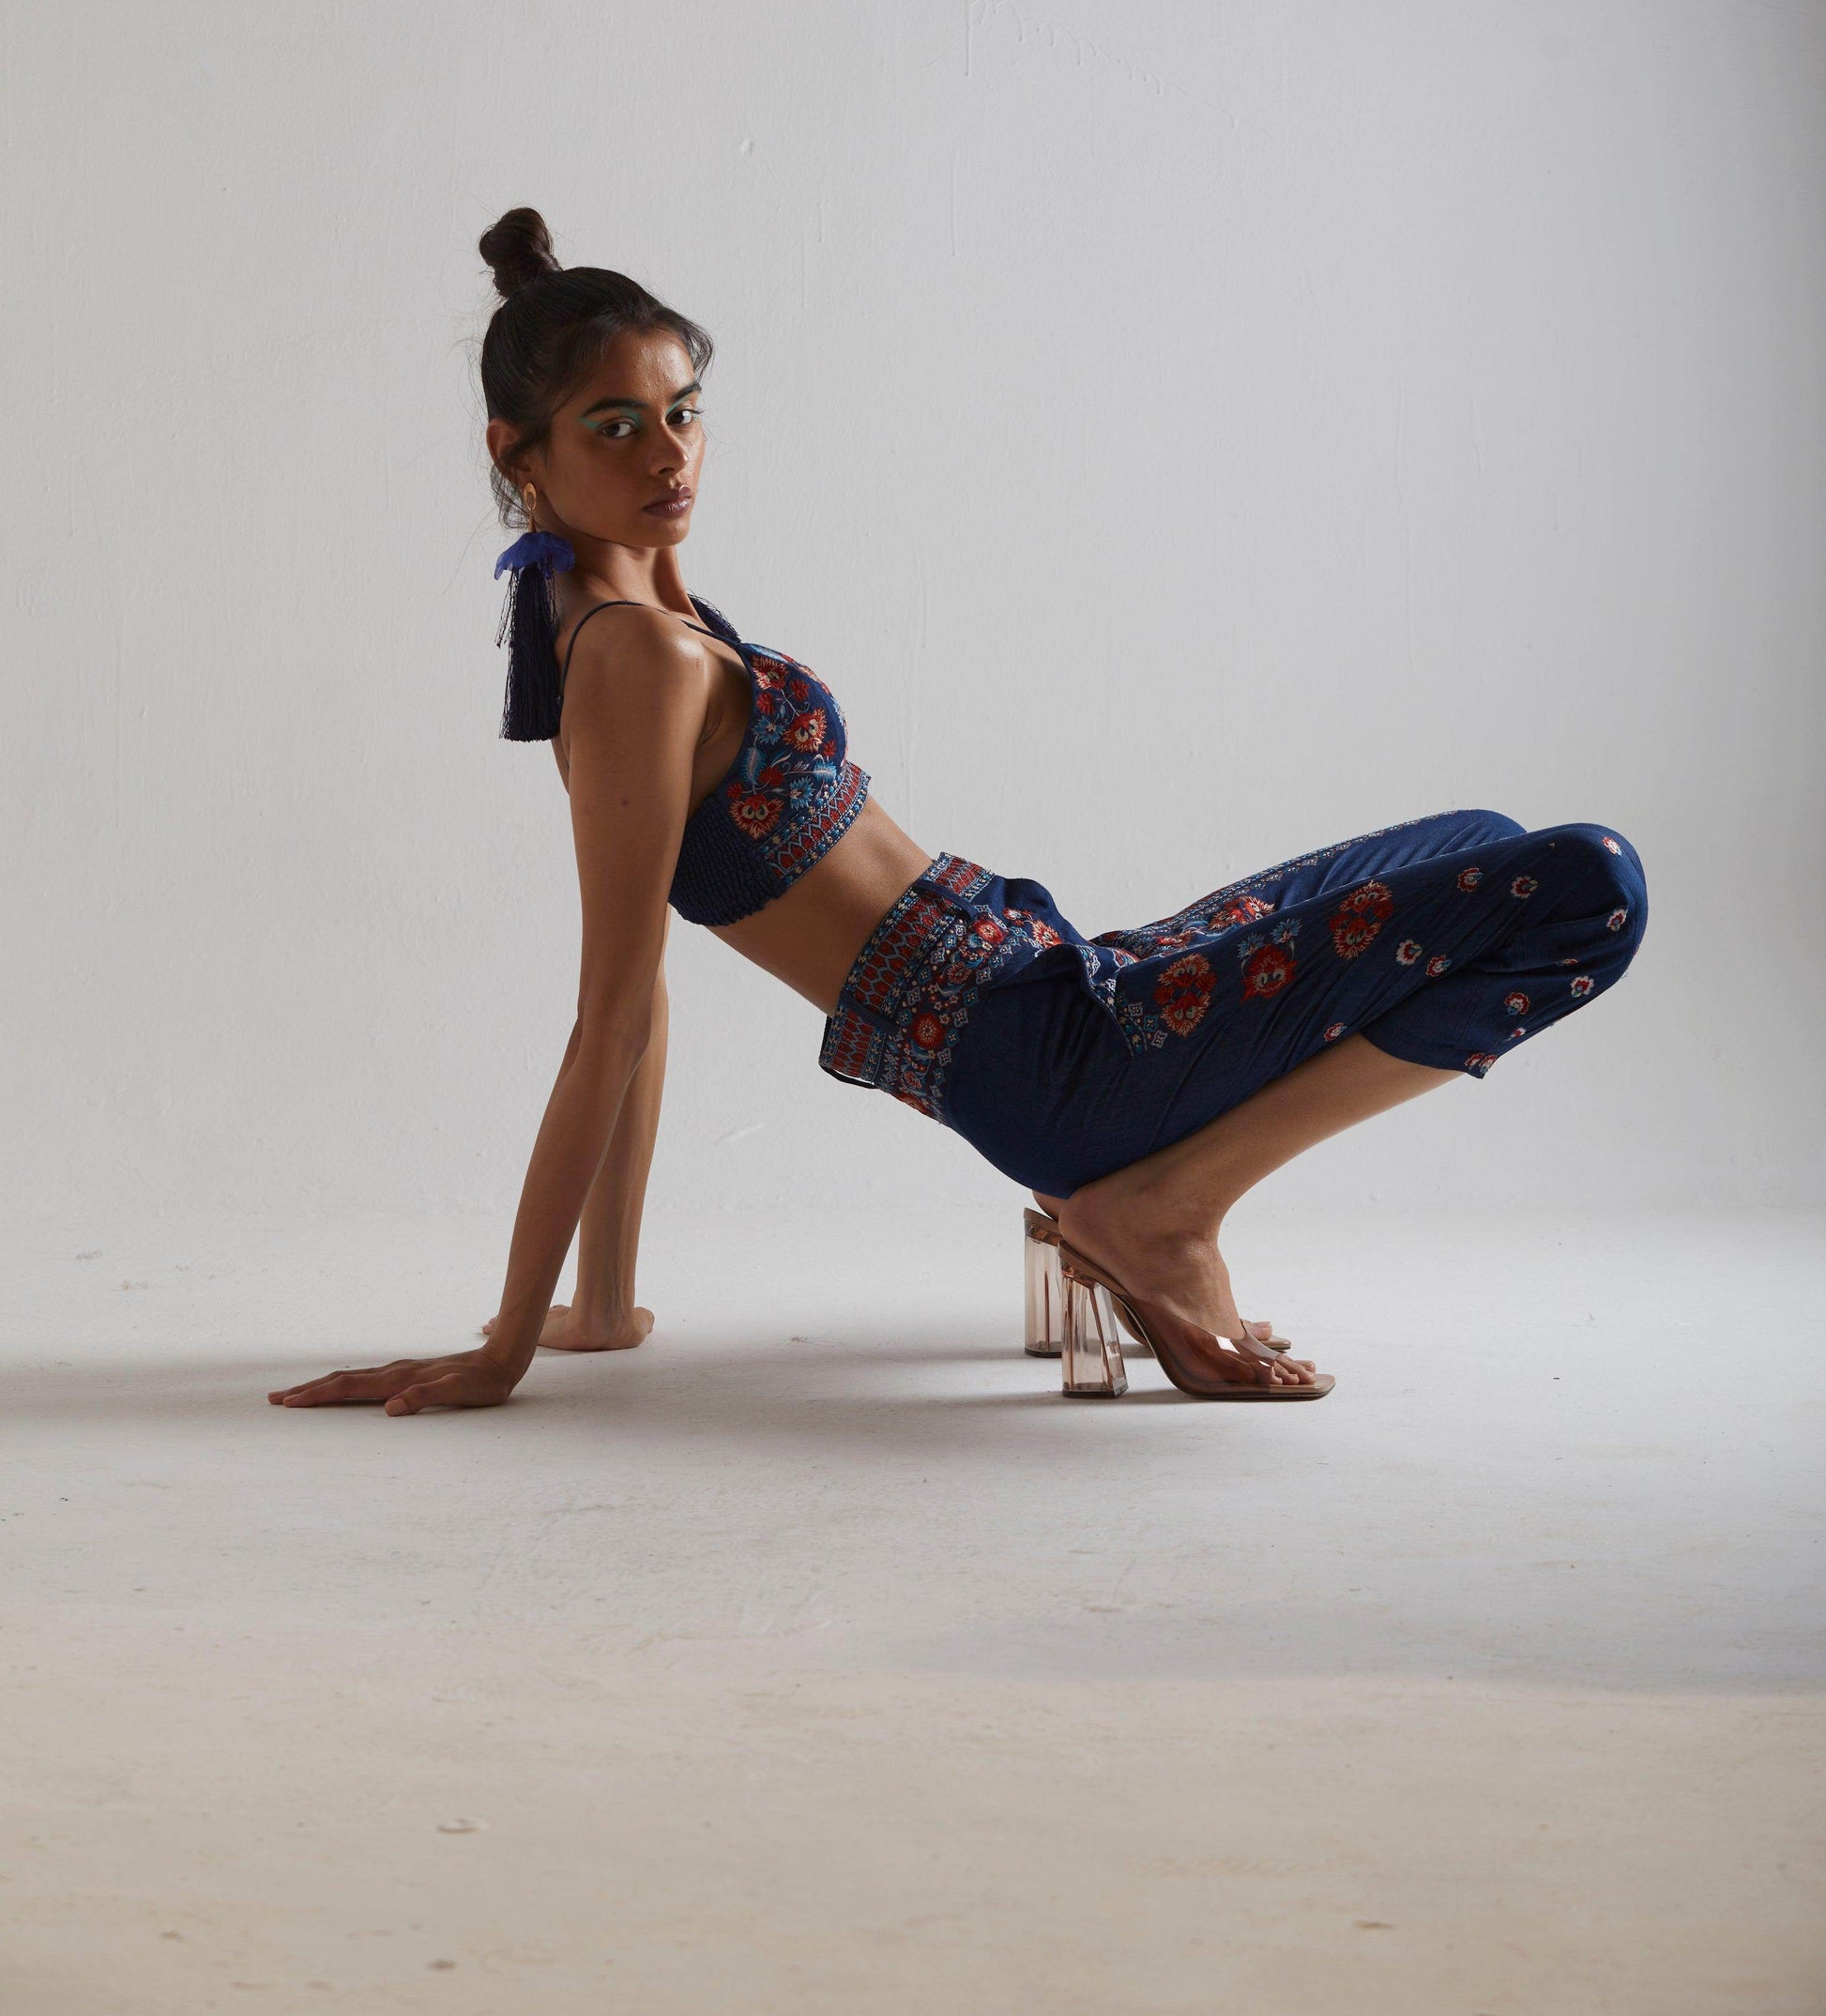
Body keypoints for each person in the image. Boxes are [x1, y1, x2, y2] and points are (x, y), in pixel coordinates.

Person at [270, 213, 1647, 1417]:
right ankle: (1159, 1211)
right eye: (616, 428)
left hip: (1062, 985)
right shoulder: (634, 659)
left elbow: (649, 1003)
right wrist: (506, 1347)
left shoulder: (639, 613)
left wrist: (605, 1306)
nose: (670, 455)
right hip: (1049, 1063)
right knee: (1586, 886)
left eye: (682, 411)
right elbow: (612, 1014)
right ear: (519, 453)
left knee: (1483, 839)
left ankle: (1136, 1199)